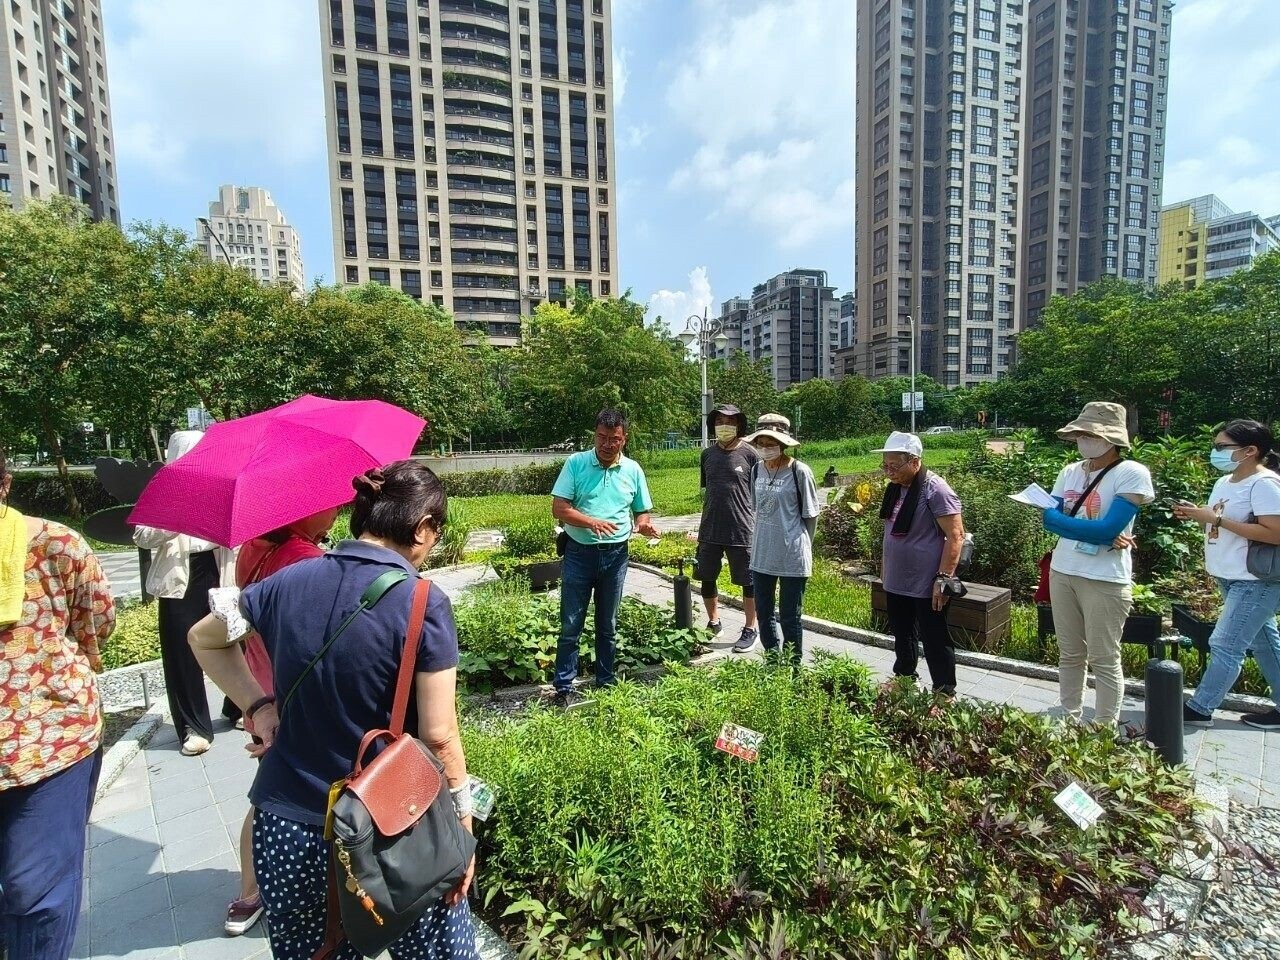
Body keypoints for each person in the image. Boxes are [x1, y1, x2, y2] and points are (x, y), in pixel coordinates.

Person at [189, 461, 478, 960]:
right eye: (437, 530)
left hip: (287, 825)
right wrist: (461, 824)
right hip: (393, 827)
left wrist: (258, 707)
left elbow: (204, 637)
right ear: (423, 527)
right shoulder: (423, 602)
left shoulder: (288, 579)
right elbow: (438, 734)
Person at [1, 457, 116, 960]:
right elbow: (96, 627)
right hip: (47, 726)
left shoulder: (54, 544)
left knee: (37, 887)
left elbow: (96, 620)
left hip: (47, 739)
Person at [224, 506, 340, 937]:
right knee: (278, 799)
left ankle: (251, 889)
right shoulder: (303, 561)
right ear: (303, 510)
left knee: (266, 793)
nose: (337, 507)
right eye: (328, 503)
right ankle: (263, 892)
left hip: (258, 685)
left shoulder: (255, 546)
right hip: (289, 695)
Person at [1041, 402, 1154, 727]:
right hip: (1064, 571)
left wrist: (1091, 531)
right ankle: (1068, 715)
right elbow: (1049, 520)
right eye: (1081, 433)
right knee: (1070, 653)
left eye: (1090, 433)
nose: (1083, 439)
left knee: (1104, 658)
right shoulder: (1070, 472)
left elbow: (1108, 529)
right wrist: (1098, 534)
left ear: (1111, 438)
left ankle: (1103, 727)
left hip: (1104, 578)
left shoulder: (1131, 473)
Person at [132, 430, 237, 756]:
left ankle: (238, 707)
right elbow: (141, 535)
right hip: (178, 577)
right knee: (181, 650)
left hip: (217, 568)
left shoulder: (221, 485)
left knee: (233, 637)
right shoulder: (162, 490)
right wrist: (176, 515)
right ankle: (194, 726)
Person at [550, 409, 659, 707]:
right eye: (601, 437)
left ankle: (606, 681)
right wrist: (591, 522)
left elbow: (641, 509)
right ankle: (563, 687)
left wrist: (644, 523)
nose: (606, 444)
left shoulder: (633, 470)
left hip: (615, 556)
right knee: (571, 622)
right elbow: (559, 508)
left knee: (608, 623)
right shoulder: (576, 463)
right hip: (578, 553)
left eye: (614, 439)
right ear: (594, 434)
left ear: (624, 439)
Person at [1176, 420, 1280, 729]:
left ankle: (1200, 708)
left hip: (1255, 579)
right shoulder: (1225, 482)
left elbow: (1274, 533)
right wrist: (1198, 516)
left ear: (1251, 451)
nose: (1216, 451)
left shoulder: (1265, 484)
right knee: (1264, 643)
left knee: (1225, 643)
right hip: (1229, 575)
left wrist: (1217, 521)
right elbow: (1216, 523)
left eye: (1223, 447)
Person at [875, 431, 965, 696]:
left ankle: (944, 691)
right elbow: (890, 532)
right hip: (898, 578)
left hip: (928, 581)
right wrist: (885, 567)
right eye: (886, 465)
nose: (889, 471)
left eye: (894, 466)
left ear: (915, 462)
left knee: (935, 636)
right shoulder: (896, 488)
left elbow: (956, 535)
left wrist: (943, 577)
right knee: (902, 632)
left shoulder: (936, 489)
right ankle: (904, 677)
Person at [744, 414, 820, 666]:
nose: (766, 448)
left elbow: (810, 517)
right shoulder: (756, 470)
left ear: (783, 443)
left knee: (790, 616)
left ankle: (794, 667)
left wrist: (804, 549)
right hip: (762, 554)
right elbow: (758, 509)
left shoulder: (800, 471)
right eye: (761, 443)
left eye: (771, 442)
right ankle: (773, 661)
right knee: (764, 613)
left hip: (792, 555)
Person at [695, 403, 761, 652]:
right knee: (707, 576)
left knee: (748, 580)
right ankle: (713, 622)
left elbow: (758, 492)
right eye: (720, 420)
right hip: (710, 528)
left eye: (731, 421)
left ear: (739, 425)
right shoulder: (707, 455)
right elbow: (707, 488)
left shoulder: (751, 454)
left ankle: (750, 628)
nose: (725, 425)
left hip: (742, 528)